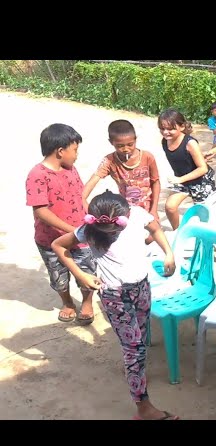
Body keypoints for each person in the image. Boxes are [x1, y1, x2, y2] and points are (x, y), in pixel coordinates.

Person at [51, 191, 179, 420]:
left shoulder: (138, 215)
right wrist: (81, 275)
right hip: (115, 296)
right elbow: (58, 245)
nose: (111, 236)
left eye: (115, 231)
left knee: (140, 337)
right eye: (107, 233)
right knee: (135, 348)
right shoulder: (88, 230)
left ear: (127, 215)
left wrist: (168, 253)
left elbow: (156, 229)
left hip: (142, 288)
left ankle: (132, 368)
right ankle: (144, 408)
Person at [26, 123, 97, 325]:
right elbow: (40, 211)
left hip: (81, 237)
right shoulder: (37, 175)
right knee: (58, 276)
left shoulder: (71, 169)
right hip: (50, 240)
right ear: (60, 151)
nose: (76, 155)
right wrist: (73, 230)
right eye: (75, 150)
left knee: (87, 270)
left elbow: (80, 197)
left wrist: (94, 217)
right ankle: (67, 303)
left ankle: (87, 302)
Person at [82, 120, 161, 245]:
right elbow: (94, 180)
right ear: (111, 142)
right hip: (126, 212)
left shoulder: (147, 157)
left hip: (148, 208)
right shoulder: (109, 161)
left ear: (136, 139)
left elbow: (155, 182)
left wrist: (154, 209)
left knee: (151, 238)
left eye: (130, 144)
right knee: (131, 242)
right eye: (120, 146)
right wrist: (84, 202)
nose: (126, 149)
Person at [158, 108, 216, 230]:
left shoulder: (190, 143)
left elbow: (203, 169)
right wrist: (181, 180)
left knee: (204, 215)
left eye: (170, 129)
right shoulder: (165, 141)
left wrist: (180, 179)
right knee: (170, 206)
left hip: (201, 181)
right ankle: (178, 231)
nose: (165, 132)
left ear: (182, 126)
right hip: (183, 181)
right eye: (162, 128)